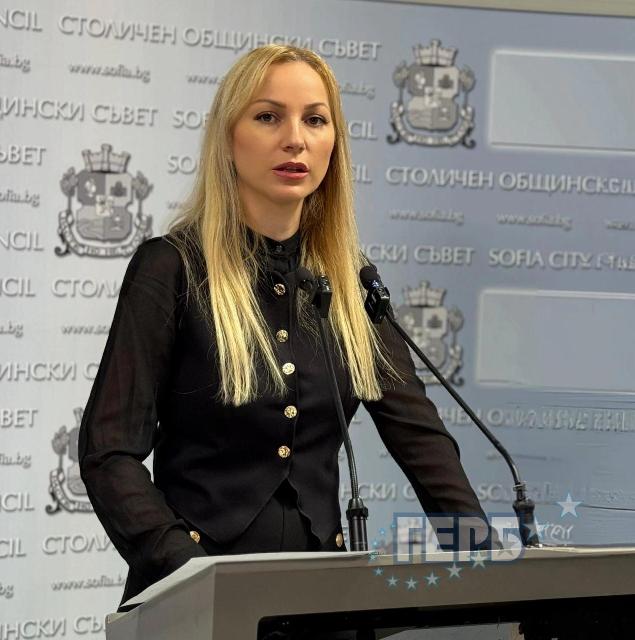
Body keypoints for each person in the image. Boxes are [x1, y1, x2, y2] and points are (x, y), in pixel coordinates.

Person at [78, 44, 494, 634]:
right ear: (229, 138)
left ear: (334, 144)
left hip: (320, 606)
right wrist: (187, 572)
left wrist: (485, 562)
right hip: (193, 605)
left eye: (315, 120)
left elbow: (420, 437)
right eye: (269, 116)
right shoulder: (171, 268)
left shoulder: (350, 282)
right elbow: (108, 452)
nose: (295, 139)